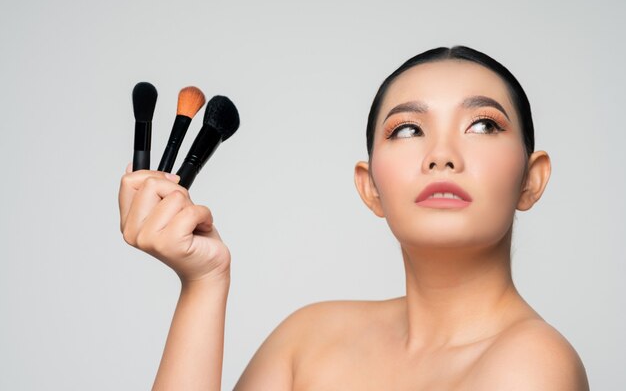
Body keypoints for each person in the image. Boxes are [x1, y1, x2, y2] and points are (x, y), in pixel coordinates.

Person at [118, 46, 590, 390]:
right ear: (370, 188)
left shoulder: (534, 365)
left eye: (483, 125)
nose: (441, 155)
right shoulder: (308, 337)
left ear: (532, 179)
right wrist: (204, 283)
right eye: (408, 129)